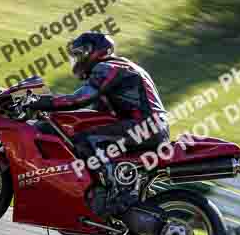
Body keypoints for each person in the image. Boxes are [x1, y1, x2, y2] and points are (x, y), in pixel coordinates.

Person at [25, 31, 170, 215]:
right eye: (75, 56)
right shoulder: (117, 68)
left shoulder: (109, 67)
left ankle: (118, 197)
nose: (76, 60)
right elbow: (95, 114)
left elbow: (80, 99)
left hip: (146, 126)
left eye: (79, 54)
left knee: (87, 140)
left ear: (93, 52)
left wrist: (43, 102)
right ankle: (107, 192)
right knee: (87, 134)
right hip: (148, 126)